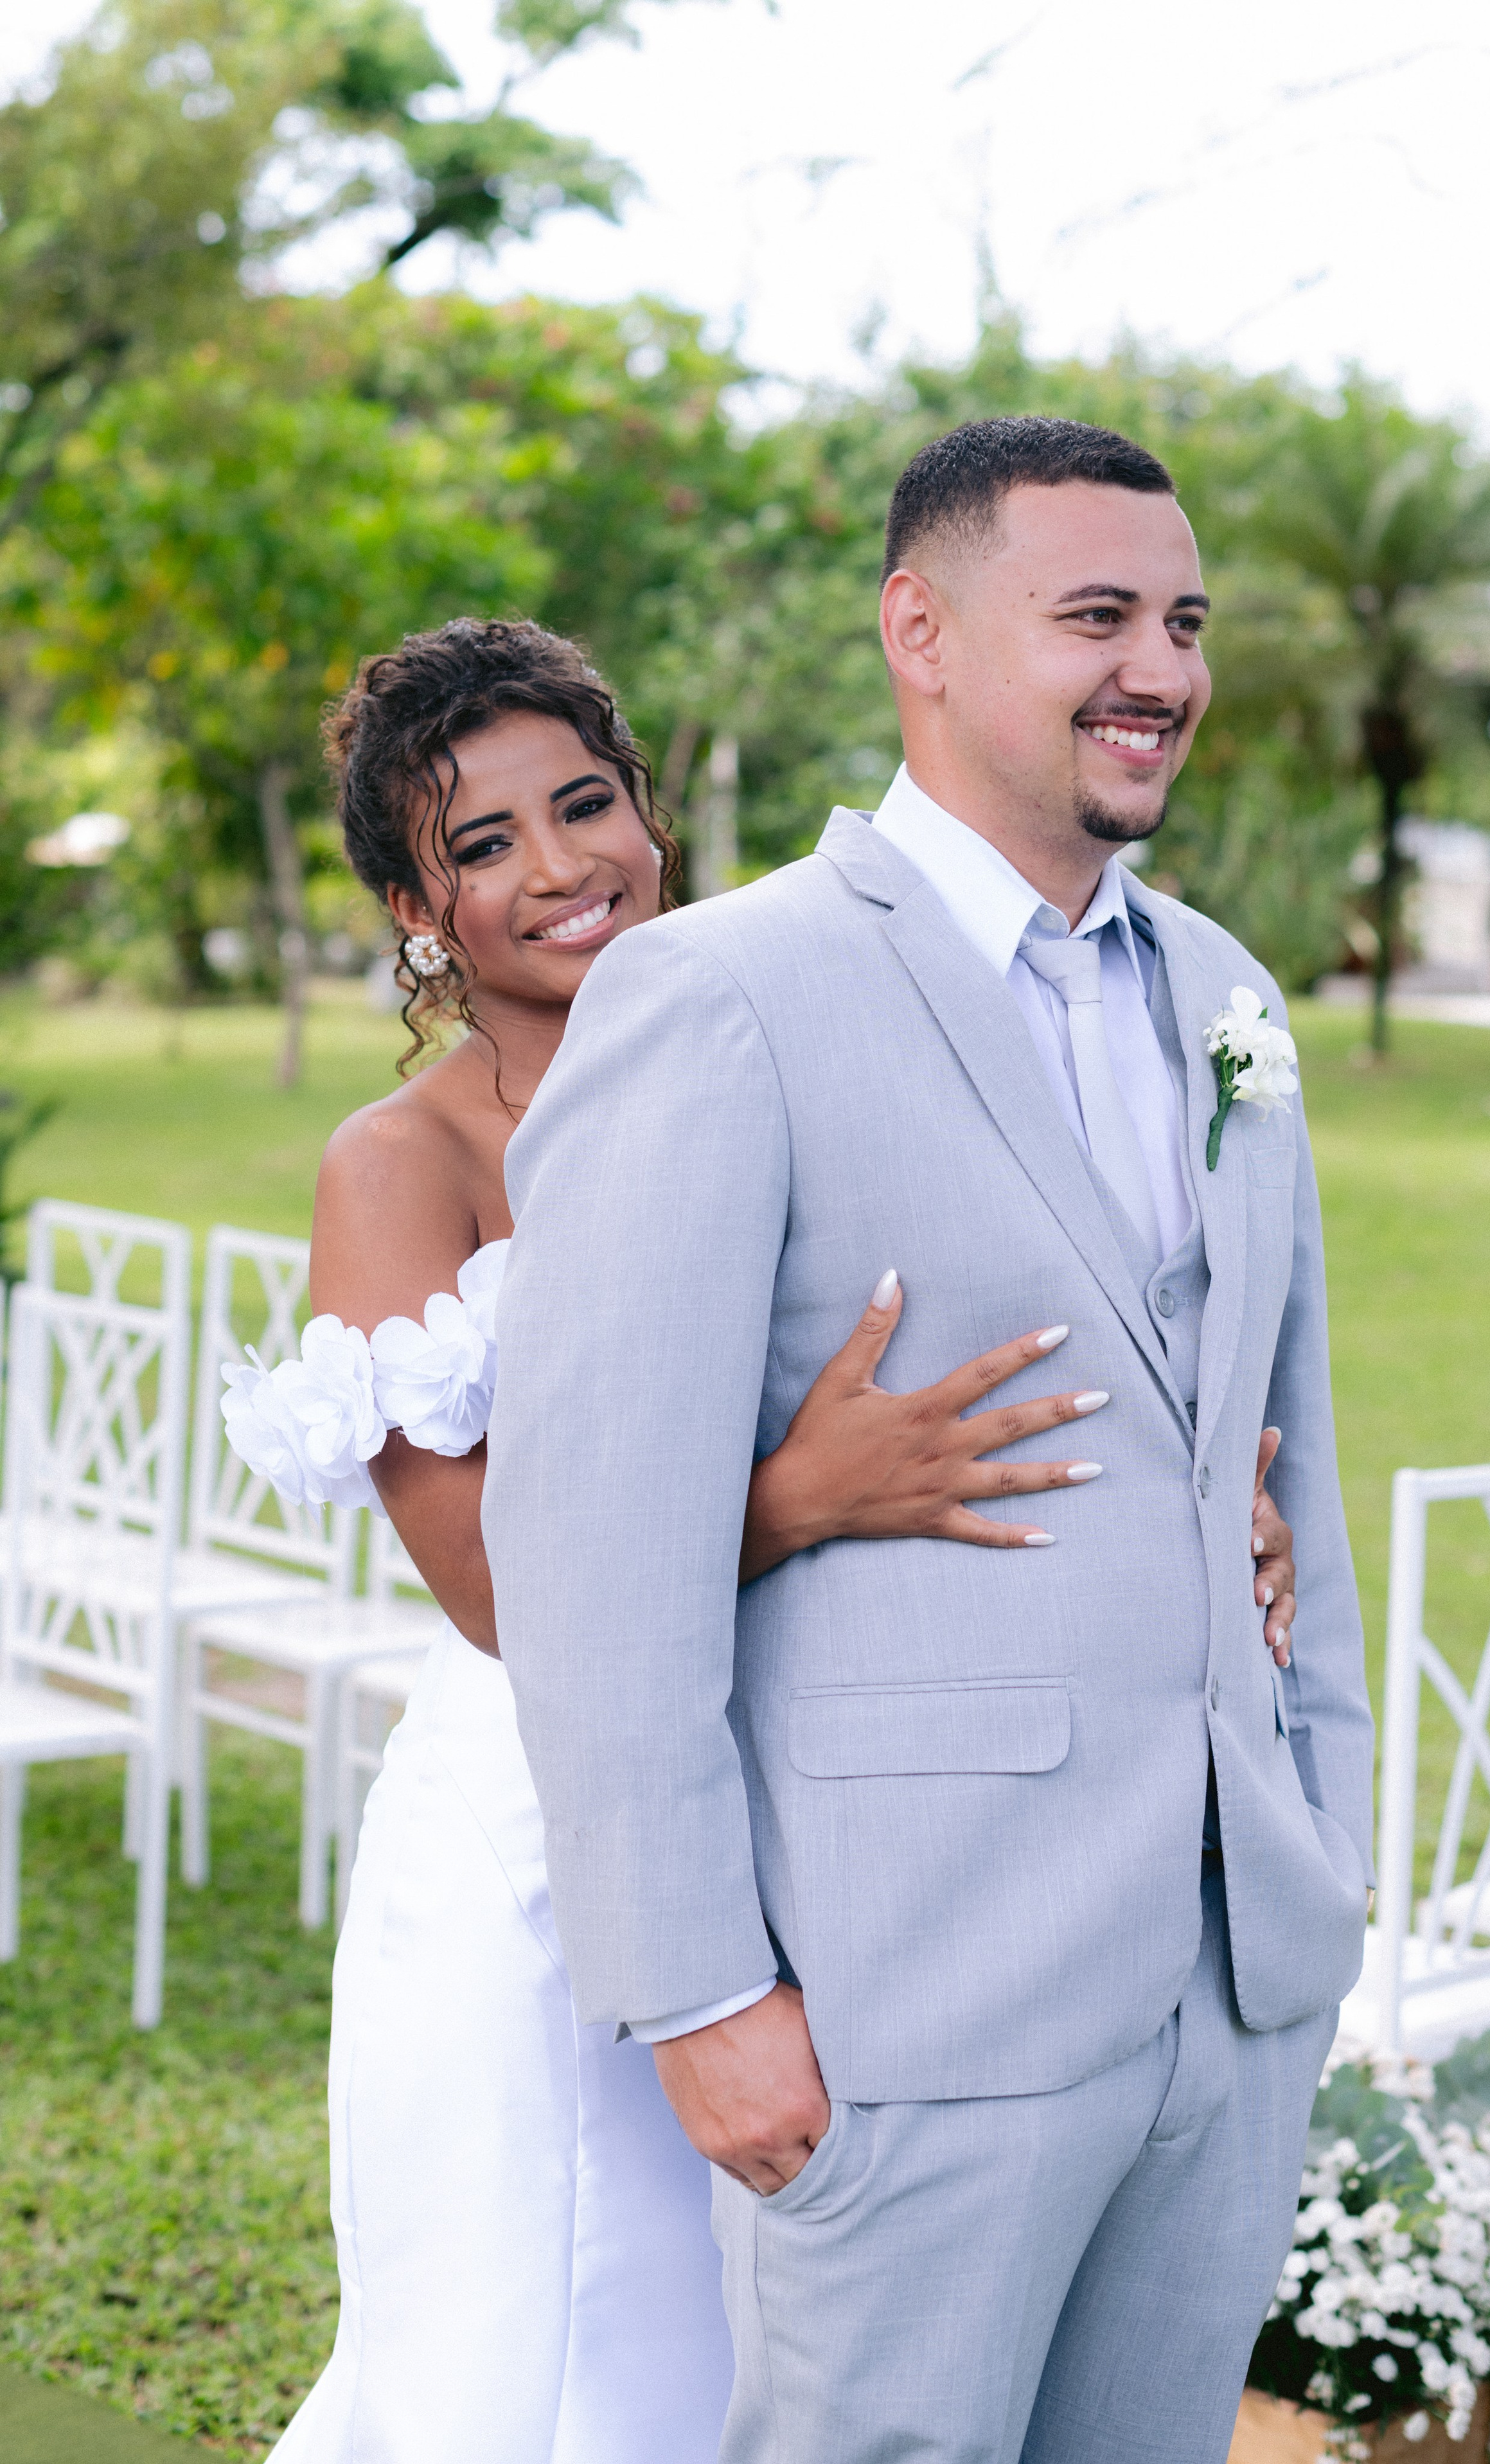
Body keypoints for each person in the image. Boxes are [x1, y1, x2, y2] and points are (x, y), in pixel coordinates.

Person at [226, 617, 1300, 2464]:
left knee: (764, 2348)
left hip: (800, 1810)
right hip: (538, 1837)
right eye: (483, 844)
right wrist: (806, 1493)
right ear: (415, 909)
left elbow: (986, 1342)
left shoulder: (786, 1030)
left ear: (647, 813)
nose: (560, 865)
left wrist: (1210, 1512)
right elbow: (496, 1592)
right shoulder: (398, 1165)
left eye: (586, 803)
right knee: (549, 2339)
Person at [486, 421, 1375, 2464]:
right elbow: (590, 1550)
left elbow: (1283, 1456)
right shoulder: (719, 995)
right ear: (924, 632)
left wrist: (1320, 1838)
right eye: (1097, 617)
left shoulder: (1227, 994)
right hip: (909, 2004)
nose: (1160, 668)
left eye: (1185, 622)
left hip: (1228, 1993)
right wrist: (701, 1999)